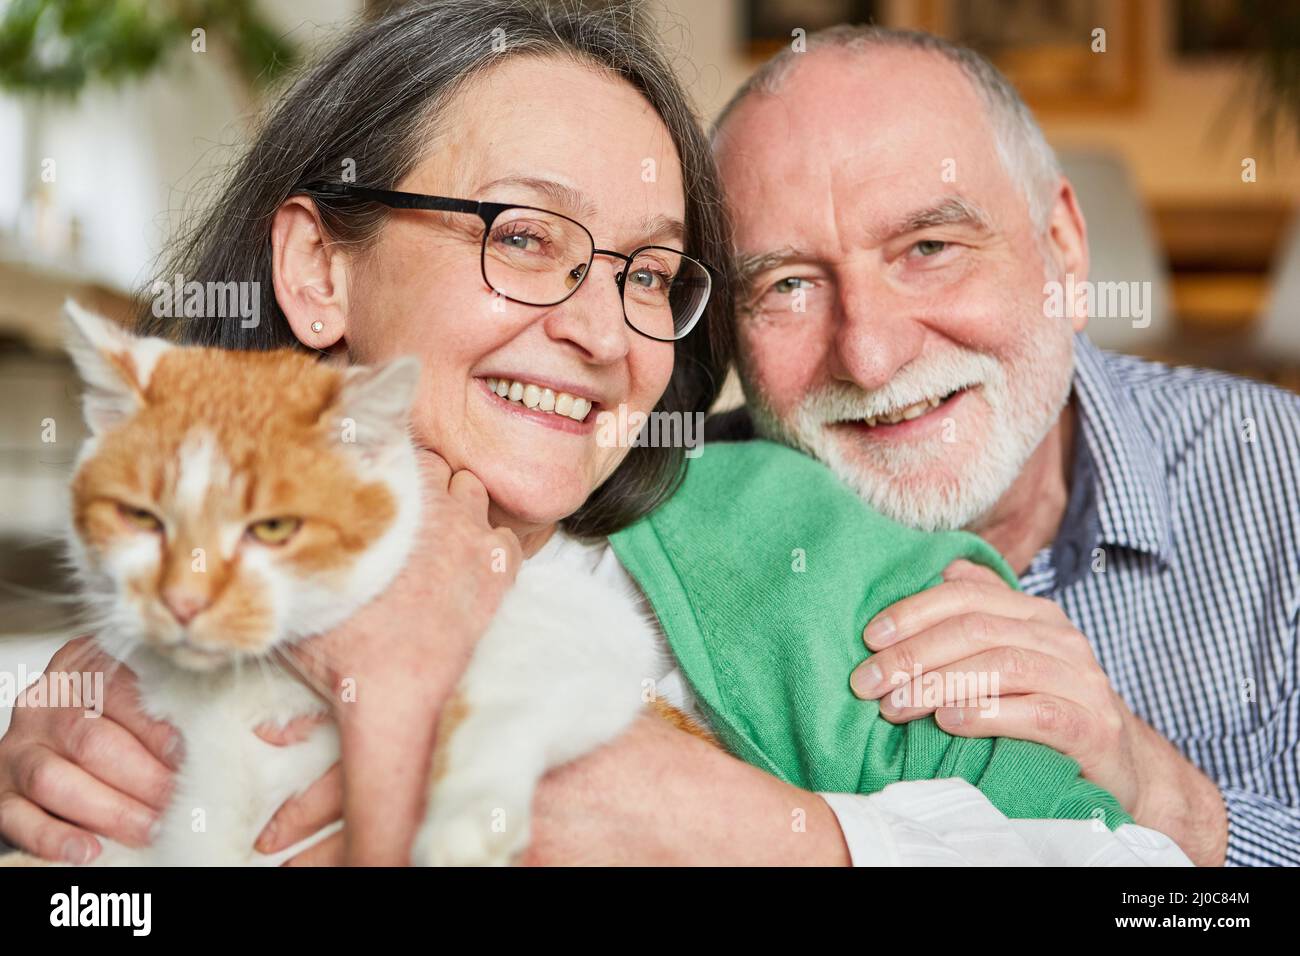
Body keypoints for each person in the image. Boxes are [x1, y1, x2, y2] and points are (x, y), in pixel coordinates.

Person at [0, 3, 1185, 867]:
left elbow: (1149, 879)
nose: (600, 328)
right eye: (522, 236)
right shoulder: (121, 668)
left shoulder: (795, 554)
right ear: (319, 270)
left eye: (650, 272)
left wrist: (783, 839)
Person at [707, 25, 1300, 867]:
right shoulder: (657, 527)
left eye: (929, 248)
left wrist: (1174, 806)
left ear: (1063, 249)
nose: (871, 357)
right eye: (787, 286)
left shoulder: (1279, 474)